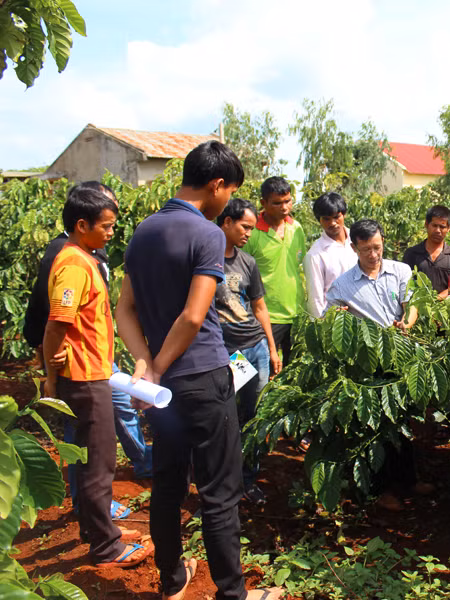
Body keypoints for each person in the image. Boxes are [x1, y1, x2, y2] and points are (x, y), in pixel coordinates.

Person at [116, 141, 281, 600]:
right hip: (205, 377)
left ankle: (172, 581)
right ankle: (232, 593)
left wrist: (147, 366)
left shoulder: (144, 230)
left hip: (162, 389)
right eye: (230, 192)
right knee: (219, 491)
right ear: (217, 185)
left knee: (168, 483)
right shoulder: (207, 233)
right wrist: (160, 365)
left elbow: (123, 310)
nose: (228, 201)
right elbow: (193, 317)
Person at [23, 181, 153, 516]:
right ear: (83, 224)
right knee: (91, 448)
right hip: (83, 370)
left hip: (97, 362)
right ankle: (93, 514)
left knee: (104, 435)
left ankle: (115, 489)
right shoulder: (70, 261)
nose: (112, 231)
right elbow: (53, 320)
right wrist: (50, 367)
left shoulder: (90, 254)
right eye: (107, 224)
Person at [326, 219, 422, 510]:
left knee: (404, 422)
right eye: (366, 249)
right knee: (376, 426)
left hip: (401, 356)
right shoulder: (342, 285)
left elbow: (412, 303)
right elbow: (329, 319)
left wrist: (407, 322)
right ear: (354, 248)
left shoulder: (401, 271)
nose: (373, 254)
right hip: (369, 364)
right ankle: (380, 491)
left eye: (377, 247)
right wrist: (337, 317)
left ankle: (410, 481)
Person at [215, 197, 283, 506]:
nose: (248, 234)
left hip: (255, 347)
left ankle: (249, 479)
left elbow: (258, 306)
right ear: (226, 222)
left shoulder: (247, 262)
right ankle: (225, 480)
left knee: (255, 417)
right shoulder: (206, 259)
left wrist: (272, 347)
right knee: (228, 417)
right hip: (230, 354)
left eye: (253, 229)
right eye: (245, 227)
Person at [243, 176, 306, 370]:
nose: (285, 207)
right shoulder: (252, 234)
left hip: (296, 314)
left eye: (287, 201)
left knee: (293, 373)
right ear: (263, 203)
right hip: (264, 316)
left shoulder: (296, 229)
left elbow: (298, 265)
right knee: (255, 371)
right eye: (277, 203)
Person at [303, 192, 357, 319]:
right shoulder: (315, 255)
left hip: (366, 315)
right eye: (326, 219)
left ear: (344, 215)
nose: (333, 223)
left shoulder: (359, 240)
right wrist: (323, 324)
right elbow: (315, 298)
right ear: (319, 220)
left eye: (336, 217)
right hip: (336, 320)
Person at [402, 205, 450, 294]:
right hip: (417, 306)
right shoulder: (412, 253)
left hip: (445, 307)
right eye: (434, 225)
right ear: (426, 224)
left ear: (448, 228)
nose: (438, 230)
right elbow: (405, 283)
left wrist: (436, 300)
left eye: (442, 227)